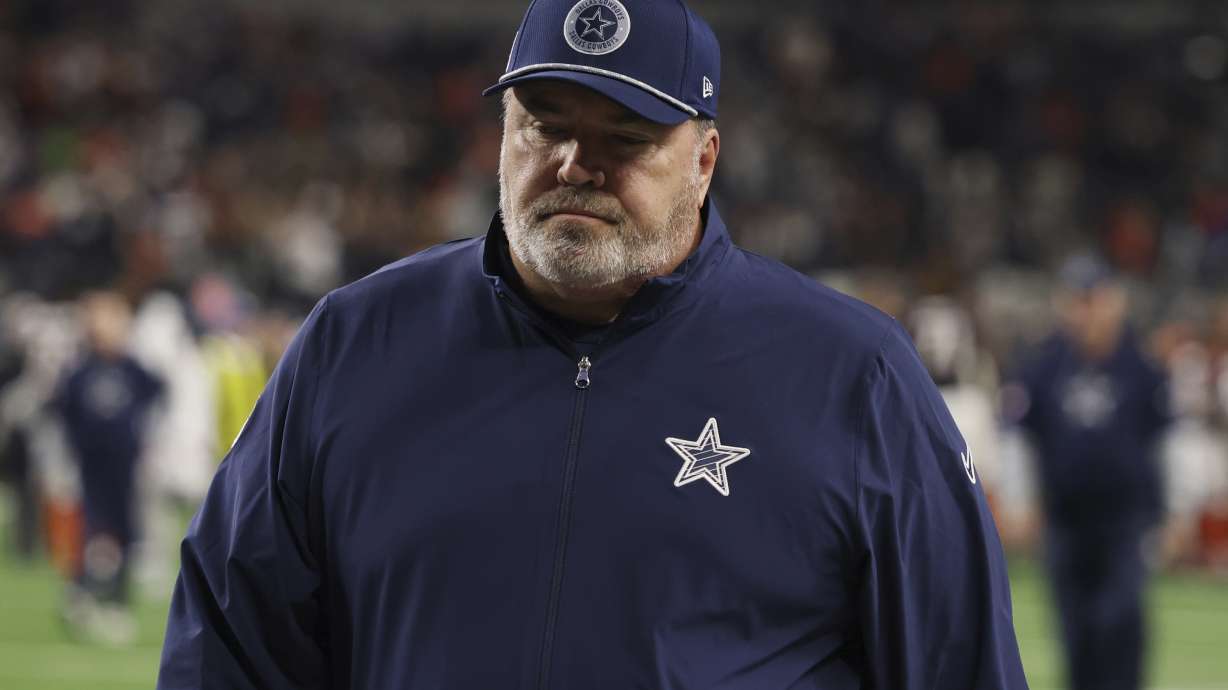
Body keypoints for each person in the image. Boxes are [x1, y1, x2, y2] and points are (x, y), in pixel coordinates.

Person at [158, 1, 1028, 688]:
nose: (575, 162)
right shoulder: (354, 342)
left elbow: (958, 668)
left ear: (705, 158)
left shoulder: (852, 374)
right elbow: (229, 648)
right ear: (503, 131)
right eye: (544, 123)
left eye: (628, 137)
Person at [1008, 255, 1170, 690]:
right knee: (1075, 633)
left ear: (1113, 302)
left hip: (1124, 521)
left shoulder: (1141, 365)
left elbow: (1163, 443)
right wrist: (1021, 501)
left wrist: (1173, 514)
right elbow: (1021, 437)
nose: (1085, 312)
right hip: (1065, 521)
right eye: (1076, 301)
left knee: (1119, 625)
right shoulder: (1043, 365)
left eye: (1093, 299)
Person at [56, 291, 163, 644]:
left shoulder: (132, 368)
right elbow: (64, 410)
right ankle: (81, 591)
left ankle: (117, 601)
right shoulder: (80, 370)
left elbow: (158, 392)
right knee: (90, 529)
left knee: (126, 533)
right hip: (90, 467)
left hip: (126, 467)